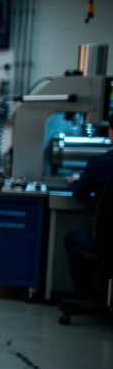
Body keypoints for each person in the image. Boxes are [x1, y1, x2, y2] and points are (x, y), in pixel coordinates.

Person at [64, 124, 113, 299]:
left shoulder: (99, 163)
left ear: (111, 132)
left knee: (72, 239)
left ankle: (85, 296)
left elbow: (79, 190)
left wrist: (73, 180)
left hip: (106, 239)